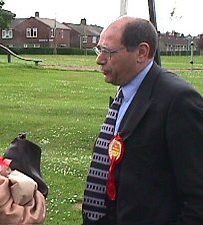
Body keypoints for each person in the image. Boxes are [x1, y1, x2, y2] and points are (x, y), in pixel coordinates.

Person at [82, 16, 203, 225]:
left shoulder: (178, 101)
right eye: (99, 50)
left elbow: (197, 197)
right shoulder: (125, 94)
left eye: (108, 52)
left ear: (142, 52)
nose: (99, 59)